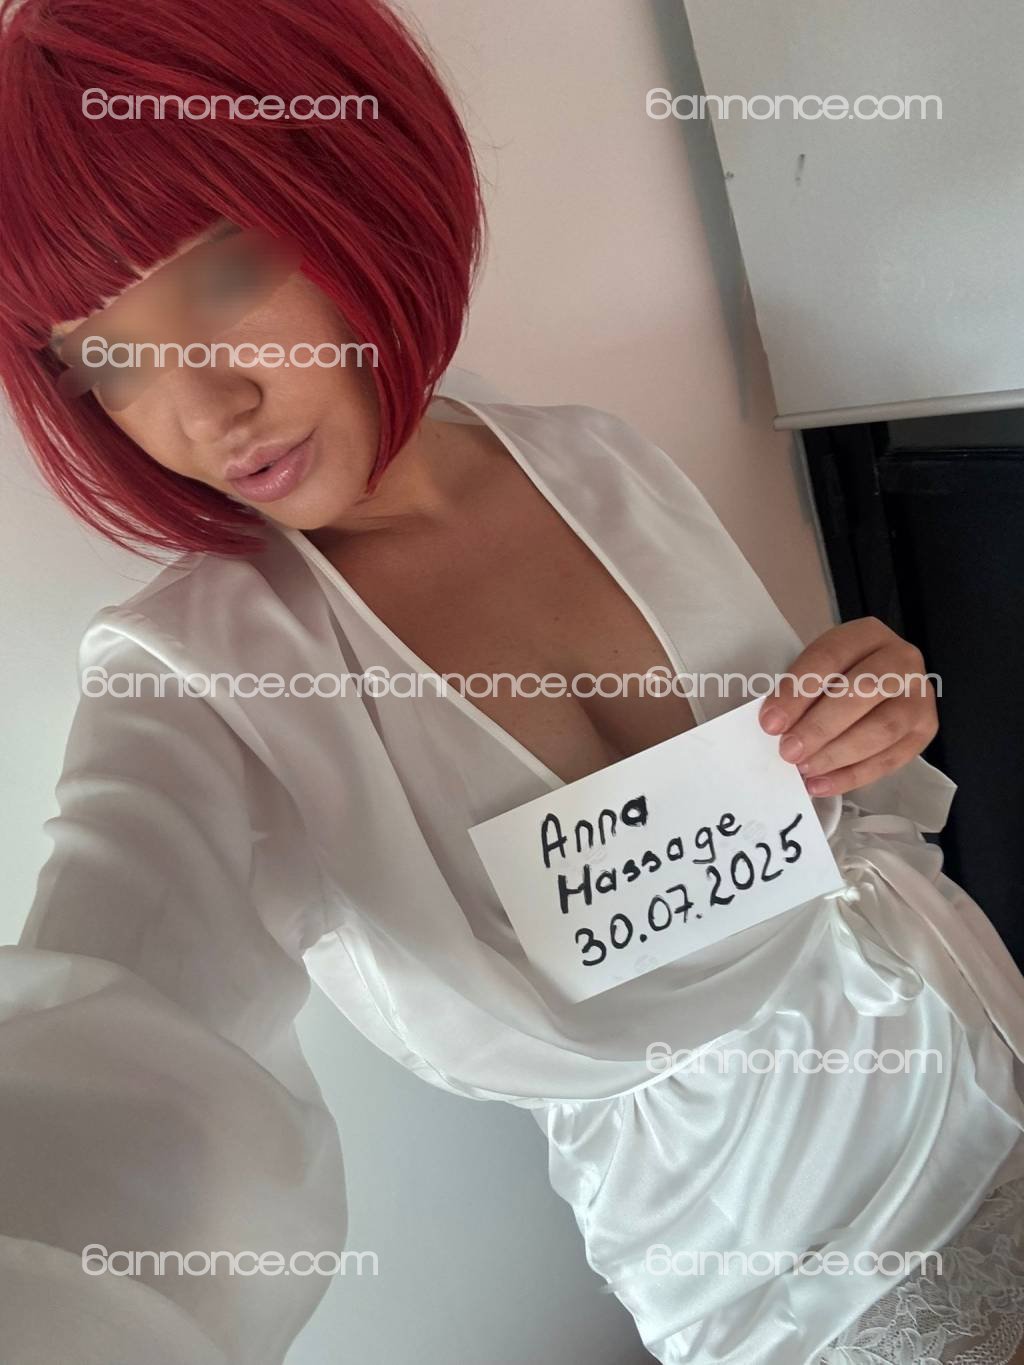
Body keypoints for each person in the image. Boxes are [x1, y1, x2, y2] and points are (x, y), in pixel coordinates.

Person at [0, 0, 1021, 1362]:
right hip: (800, 1282)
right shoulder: (195, 683)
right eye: (111, 359)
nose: (204, 408)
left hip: (980, 1041)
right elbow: (107, 1037)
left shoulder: (593, 457)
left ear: (352, 185)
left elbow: (823, 795)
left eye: (224, 275)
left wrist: (878, 708)